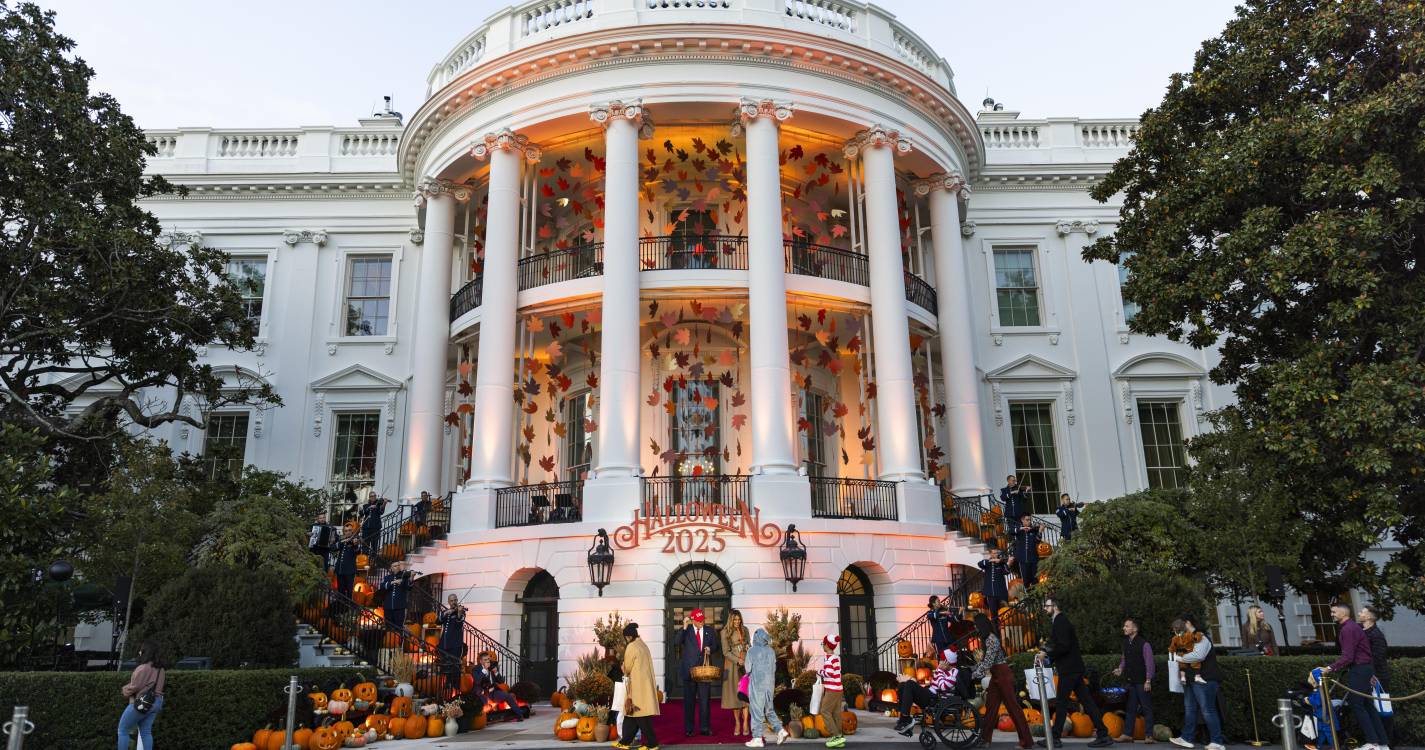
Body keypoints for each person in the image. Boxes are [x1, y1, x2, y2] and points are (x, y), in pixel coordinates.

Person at [1037, 597, 1112, 748]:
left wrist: (1047, 654)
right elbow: (1059, 644)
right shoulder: (1060, 621)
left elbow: (1063, 646)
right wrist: (1047, 651)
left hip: (1069, 670)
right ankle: (1103, 734)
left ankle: (1055, 738)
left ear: (1055, 606)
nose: (1045, 608)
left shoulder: (1060, 622)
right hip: (1074, 669)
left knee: (1061, 703)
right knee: (1087, 702)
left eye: (1047, 605)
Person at [1319, 602, 1389, 750]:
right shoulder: (1353, 627)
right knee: (1367, 705)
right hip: (1364, 668)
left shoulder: (1348, 629)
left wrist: (1329, 668)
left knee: (1357, 704)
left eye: (1334, 612)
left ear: (1343, 613)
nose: (1331, 614)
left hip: (1359, 669)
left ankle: (1373, 743)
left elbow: (1348, 656)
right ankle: (1381, 742)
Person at [968, 615, 1033, 748]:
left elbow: (988, 662)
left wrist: (974, 674)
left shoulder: (991, 639)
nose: (975, 627)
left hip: (1003, 675)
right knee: (991, 707)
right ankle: (985, 740)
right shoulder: (987, 639)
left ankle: (1026, 741)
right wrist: (973, 670)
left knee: (1013, 708)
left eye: (976, 625)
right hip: (997, 675)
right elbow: (986, 662)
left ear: (982, 625)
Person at [1168, 615, 1225, 750]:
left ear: (1187, 623)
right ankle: (1187, 738)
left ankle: (1217, 742)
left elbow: (1198, 656)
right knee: (1190, 709)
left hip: (1206, 679)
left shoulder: (1202, 638)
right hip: (1191, 679)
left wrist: (1178, 657)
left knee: (1207, 710)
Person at [894, 648, 962, 737]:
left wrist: (940, 670)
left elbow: (942, 686)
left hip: (934, 699)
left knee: (909, 684)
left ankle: (906, 719)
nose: (940, 662)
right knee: (903, 685)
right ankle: (903, 719)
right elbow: (936, 683)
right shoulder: (946, 671)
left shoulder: (953, 674)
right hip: (930, 694)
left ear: (947, 662)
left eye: (942, 660)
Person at [743, 628, 788, 748]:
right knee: (769, 709)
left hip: (757, 684)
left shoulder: (752, 651)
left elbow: (748, 669)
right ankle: (780, 730)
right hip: (770, 685)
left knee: (756, 711)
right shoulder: (771, 651)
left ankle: (757, 738)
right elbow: (774, 668)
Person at [118, 641, 167, 750]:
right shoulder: (161, 669)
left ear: (145, 652)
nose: (139, 652)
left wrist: (124, 689)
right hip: (156, 703)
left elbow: (134, 687)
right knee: (146, 732)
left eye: (141, 651)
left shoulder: (142, 668)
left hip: (142, 703)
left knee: (122, 730)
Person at [1113, 617, 1155, 743]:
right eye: (1124, 626)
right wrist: (1120, 669)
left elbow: (1150, 663)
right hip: (1131, 681)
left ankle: (1148, 735)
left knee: (1146, 707)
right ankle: (1127, 734)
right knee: (1130, 708)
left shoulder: (1144, 644)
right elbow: (1124, 659)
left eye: (1127, 626)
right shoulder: (1125, 642)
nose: (1124, 628)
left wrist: (1148, 680)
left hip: (1142, 681)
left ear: (1135, 628)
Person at [680, 608, 720, 736]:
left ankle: (705, 728)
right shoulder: (687, 631)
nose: (701, 622)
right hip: (689, 672)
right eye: (698, 620)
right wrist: (684, 627)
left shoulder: (709, 631)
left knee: (704, 701)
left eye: (702, 619)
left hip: (704, 673)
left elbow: (716, 646)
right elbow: (676, 642)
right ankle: (689, 729)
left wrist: (710, 649)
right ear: (692, 620)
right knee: (689, 702)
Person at [619, 622, 660, 750]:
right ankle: (625, 742)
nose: (626, 639)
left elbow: (627, 667)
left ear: (629, 636)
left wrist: (622, 667)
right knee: (632, 714)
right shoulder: (643, 645)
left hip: (637, 686)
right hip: (645, 685)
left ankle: (653, 744)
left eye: (626, 637)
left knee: (639, 714)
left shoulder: (631, 646)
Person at [1358, 605, 1392, 744]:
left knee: (1382, 711)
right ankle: (1374, 741)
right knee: (1368, 709)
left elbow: (1378, 657)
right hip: (1365, 676)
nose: (1359, 613)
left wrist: (1373, 675)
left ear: (1369, 617)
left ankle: (1387, 742)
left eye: (1362, 612)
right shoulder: (1361, 632)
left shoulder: (1376, 635)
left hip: (1377, 677)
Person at [472, 651, 523, 721]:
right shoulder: (476, 669)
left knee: (508, 696)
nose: (487, 661)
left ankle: (519, 715)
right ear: (481, 661)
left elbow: (501, 681)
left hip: (493, 692)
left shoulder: (492, 667)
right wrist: (484, 671)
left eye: (488, 659)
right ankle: (482, 719)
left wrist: (496, 672)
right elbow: (477, 681)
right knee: (484, 704)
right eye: (485, 660)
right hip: (482, 692)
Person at [722, 609, 750, 736]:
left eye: (739, 619)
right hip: (732, 665)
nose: (737, 622)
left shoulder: (745, 630)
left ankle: (745, 723)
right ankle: (738, 723)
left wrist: (748, 648)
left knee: (745, 693)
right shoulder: (724, 632)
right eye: (735, 620)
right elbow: (725, 652)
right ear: (731, 620)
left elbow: (748, 643)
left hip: (746, 664)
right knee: (735, 695)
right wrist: (738, 660)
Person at [815, 634, 846, 749]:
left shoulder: (829, 658)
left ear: (827, 645)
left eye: (823, 644)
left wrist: (819, 672)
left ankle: (836, 735)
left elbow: (829, 673)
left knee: (824, 711)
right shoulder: (836, 657)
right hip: (838, 689)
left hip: (832, 690)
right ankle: (840, 737)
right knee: (836, 713)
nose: (822, 646)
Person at [438, 594, 468, 698]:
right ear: (449, 602)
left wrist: (459, 613)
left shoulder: (461, 612)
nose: (454, 602)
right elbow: (438, 621)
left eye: (455, 600)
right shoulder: (446, 612)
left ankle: (455, 688)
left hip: (455, 644)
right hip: (444, 644)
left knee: (455, 667)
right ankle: (446, 685)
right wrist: (446, 612)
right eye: (451, 600)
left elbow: (459, 623)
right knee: (445, 666)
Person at [379, 561, 414, 633]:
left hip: (399, 607)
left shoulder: (404, 577)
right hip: (388, 606)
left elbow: (409, 587)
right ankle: (389, 642)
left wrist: (411, 578)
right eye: (395, 566)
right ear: (391, 568)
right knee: (388, 628)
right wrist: (394, 582)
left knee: (399, 628)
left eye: (398, 565)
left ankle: (398, 643)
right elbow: (382, 586)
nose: (397, 567)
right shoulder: (387, 577)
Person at [978, 548, 1012, 621]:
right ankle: (996, 631)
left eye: (996, 553)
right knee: (994, 615)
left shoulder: (1002, 564)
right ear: (990, 554)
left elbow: (1006, 572)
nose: (995, 554)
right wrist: (992, 560)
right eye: (993, 553)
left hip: (1001, 593)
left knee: (1004, 612)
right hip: (991, 594)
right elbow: (980, 564)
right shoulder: (987, 563)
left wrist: (1007, 563)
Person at [331, 528, 363, 600]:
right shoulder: (341, 541)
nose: (348, 532)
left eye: (349, 530)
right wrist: (341, 542)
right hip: (340, 570)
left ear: (352, 532)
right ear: (344, 532)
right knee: (340, 590)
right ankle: (341, 606)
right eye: (346, 531)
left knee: (349, 590)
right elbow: (333, 548)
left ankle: (348, 606)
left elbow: (358, 552)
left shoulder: (354, 541)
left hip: (349, 570)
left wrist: (355, 545)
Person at [1011, 516, 1042, 585]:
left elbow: (1037, 541)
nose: (1029, 521)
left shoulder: (1033, 530)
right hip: (1023, 559)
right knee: (1025, 580)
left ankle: (1035, 595)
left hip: (1033, 559)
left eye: (1030, 520)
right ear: (1022, 520)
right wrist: (1022, 528)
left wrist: (1040, 531)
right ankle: (1027, 594)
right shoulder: (1019, 531)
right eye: (1027, 520)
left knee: (1035, 579)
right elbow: (1011, 531)